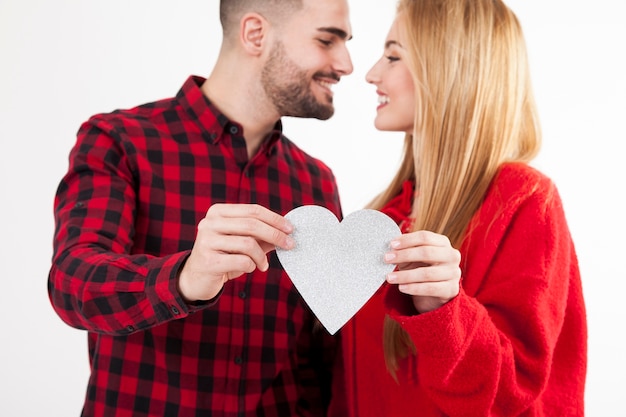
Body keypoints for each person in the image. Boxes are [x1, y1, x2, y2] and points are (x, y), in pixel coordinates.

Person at [48, 1, 353, 416]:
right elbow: (72, 281)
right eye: (327, 40)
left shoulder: (317, 182)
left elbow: (315, 351)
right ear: (255, 34)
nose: (346, 64)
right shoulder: (120, 140)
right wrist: (184, 278)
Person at [328, 0, 587, 416]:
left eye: (393, 55)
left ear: (449, 69)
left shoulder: (525, 201)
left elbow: (511, 397)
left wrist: (445, 310)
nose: (372, 73)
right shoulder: (386, 214)